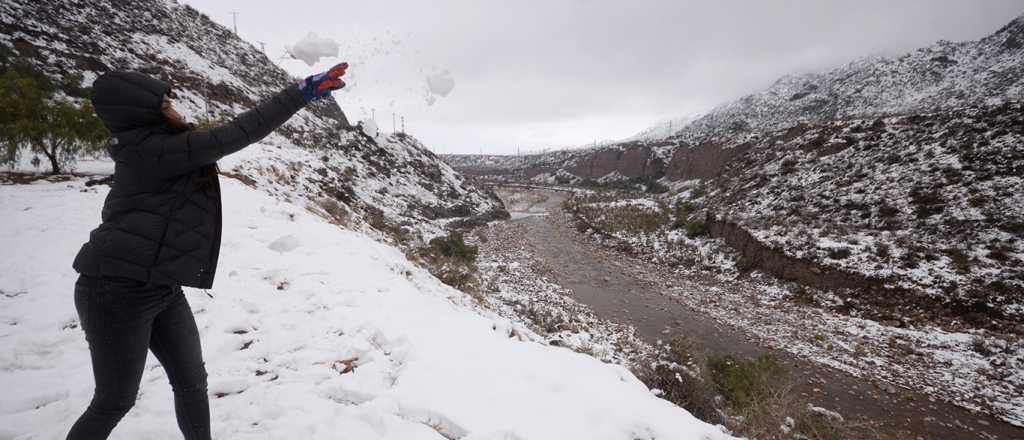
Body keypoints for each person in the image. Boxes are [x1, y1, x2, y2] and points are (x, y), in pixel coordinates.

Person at [67, 62, 349, 440]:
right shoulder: (155, 150)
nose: (175, 107)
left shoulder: (152, 145)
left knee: (192, 381)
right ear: (144, 112)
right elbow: (238, 133)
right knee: (115, 400)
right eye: (166, 102)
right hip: (115, 290)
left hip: (160, 284)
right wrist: (298, 94)